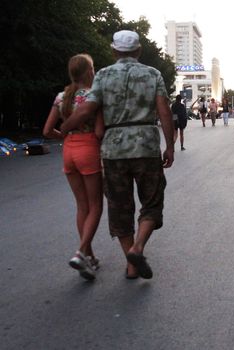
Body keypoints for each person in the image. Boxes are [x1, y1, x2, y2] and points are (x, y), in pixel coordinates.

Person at [61, 30, 174, 280]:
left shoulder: (103, 74)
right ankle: (138, 248)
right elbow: (164, 112)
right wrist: (170, 146)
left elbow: (87, 109)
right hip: (145, 146)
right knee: (152, 202)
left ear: (114, 51)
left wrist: (65, 128)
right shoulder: (153, 74)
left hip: (113, 151)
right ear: (139, 51)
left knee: (120, 207)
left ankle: (132, 265)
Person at [43, 54, 103, 280]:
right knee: (96, 206)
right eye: (93, 68)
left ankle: (89, 257)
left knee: (82, 206)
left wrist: (65, 136)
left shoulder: (61, 97)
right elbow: (98, 131)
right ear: (89, 71)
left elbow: (47, 131)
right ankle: (80, 253)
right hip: (88, 150)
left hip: (68, 151)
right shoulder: (94, 96)